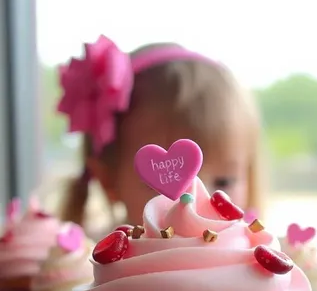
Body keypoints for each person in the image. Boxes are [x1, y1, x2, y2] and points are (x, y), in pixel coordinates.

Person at [58, 35, 265, 228]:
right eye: (165, 180)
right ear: (108, 181)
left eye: (224, 181)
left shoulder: (262, 256)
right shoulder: (98, 264)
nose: (196, 205)